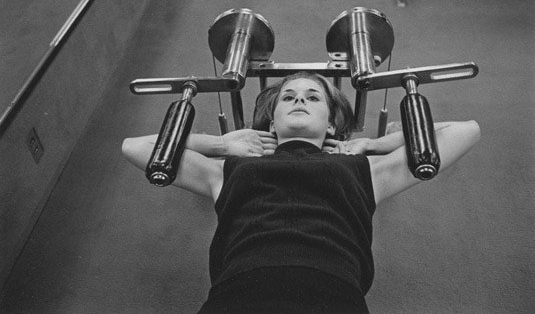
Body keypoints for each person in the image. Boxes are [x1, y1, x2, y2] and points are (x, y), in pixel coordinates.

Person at [122, 71, 481, 313]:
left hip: (333, 291)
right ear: (272, 119)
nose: (299, 100)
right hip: (239, 290)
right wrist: (220, 144)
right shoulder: (229, 169)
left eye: (313, 97)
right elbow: (136, 146)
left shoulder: (363, 169)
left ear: (331, 121)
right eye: (288, 97)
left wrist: (374, 144)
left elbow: (464, 131)